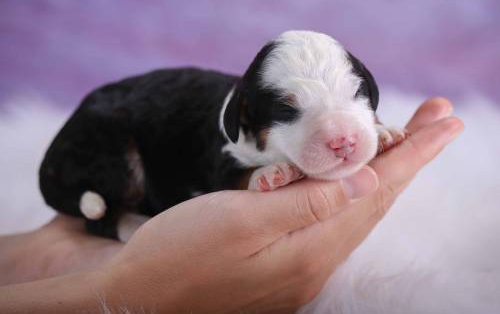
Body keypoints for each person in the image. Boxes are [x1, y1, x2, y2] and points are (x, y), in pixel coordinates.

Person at [0, 98, 463, 313]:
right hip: (108, 157)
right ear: (243, 118)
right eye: (290, 111)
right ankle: (100, 213)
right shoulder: (228, 133)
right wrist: (124, 293)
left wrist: (41, 259)